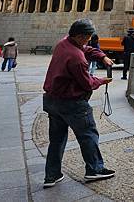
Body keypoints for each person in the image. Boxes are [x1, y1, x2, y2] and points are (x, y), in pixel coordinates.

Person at [42, 19, 115, 188]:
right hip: (72, 103)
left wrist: (102, 56)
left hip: (52, 100)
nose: (89, 40)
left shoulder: (64, 43)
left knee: (57, 139)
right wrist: (102, 80)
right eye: (88, 37)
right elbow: (87, 83)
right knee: (88, 135)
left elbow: (86, 49)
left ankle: (51, 176)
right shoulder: (76, 58)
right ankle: (94, 169)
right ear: (80, 36)